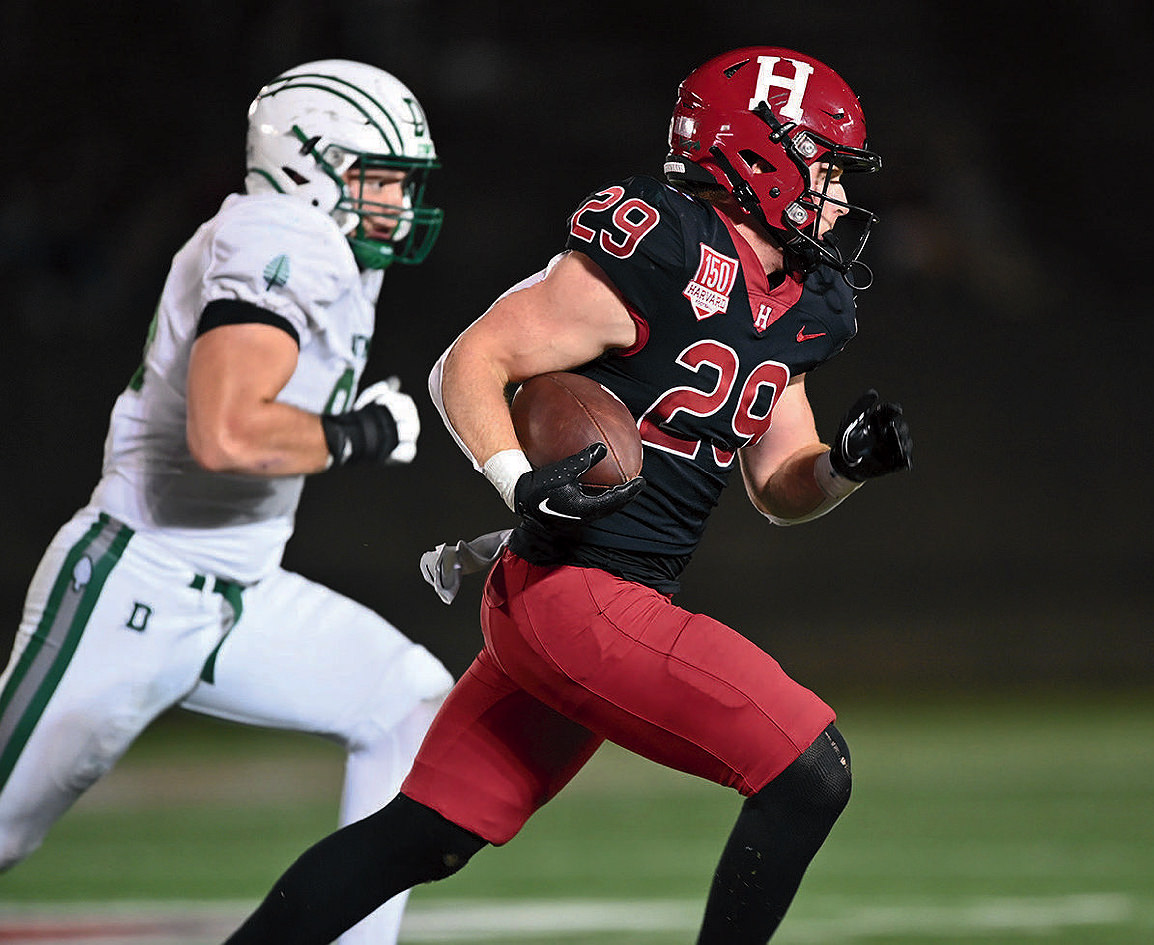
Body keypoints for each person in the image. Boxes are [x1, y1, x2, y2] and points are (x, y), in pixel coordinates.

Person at [221, 46, 914, 945]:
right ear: (760, 154)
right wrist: (516, 480)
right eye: (823, 164)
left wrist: (844, 467)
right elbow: (470, 362)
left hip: (588, 606)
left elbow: (781, 484)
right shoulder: (665, 247)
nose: (834, 192)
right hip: (578, 593)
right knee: (809, 768)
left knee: (419, 836)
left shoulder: (804, 298)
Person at [0, 60, 455, 945]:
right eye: (382, 179)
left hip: (238, 589)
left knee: (408, 701)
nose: (398, 204)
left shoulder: (325, 245)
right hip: (138, 578)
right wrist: (356, 433)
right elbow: (225, 434)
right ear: (308, 164)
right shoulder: (282, 233)